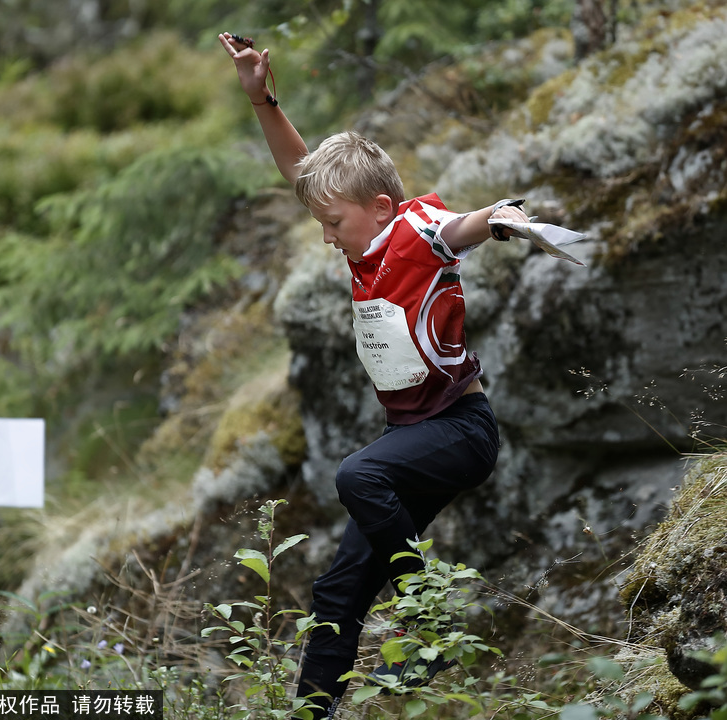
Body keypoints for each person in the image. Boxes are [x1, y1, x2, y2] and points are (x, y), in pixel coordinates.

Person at [218, 32, 529, 720]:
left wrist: (501, 218)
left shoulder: (418, 228)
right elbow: (305, 172)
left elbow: (462, 226)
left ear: (381, 210)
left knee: (358, 476)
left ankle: (427, 618)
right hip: (413, 438)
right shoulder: (361, 239)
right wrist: (262, 100)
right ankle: (312, 713)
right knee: (337, 594)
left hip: (460, 431)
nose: (327, 236)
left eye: (333, 224)